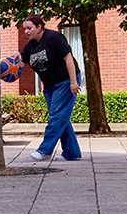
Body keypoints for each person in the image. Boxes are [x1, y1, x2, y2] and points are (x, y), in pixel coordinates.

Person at [16, 14, 81, 161]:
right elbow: (21, 64)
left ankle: (45, 150)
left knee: (56, 116)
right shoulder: (30, 46)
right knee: (60, 117)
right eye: (25, 29)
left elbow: (68, 58)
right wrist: (15, 58)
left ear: (39, 27)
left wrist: (73, 82)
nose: (26, 32)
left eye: (29, 28)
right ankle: (71, 152)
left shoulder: (53, 38)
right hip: (50, 85)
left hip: (66, 81)